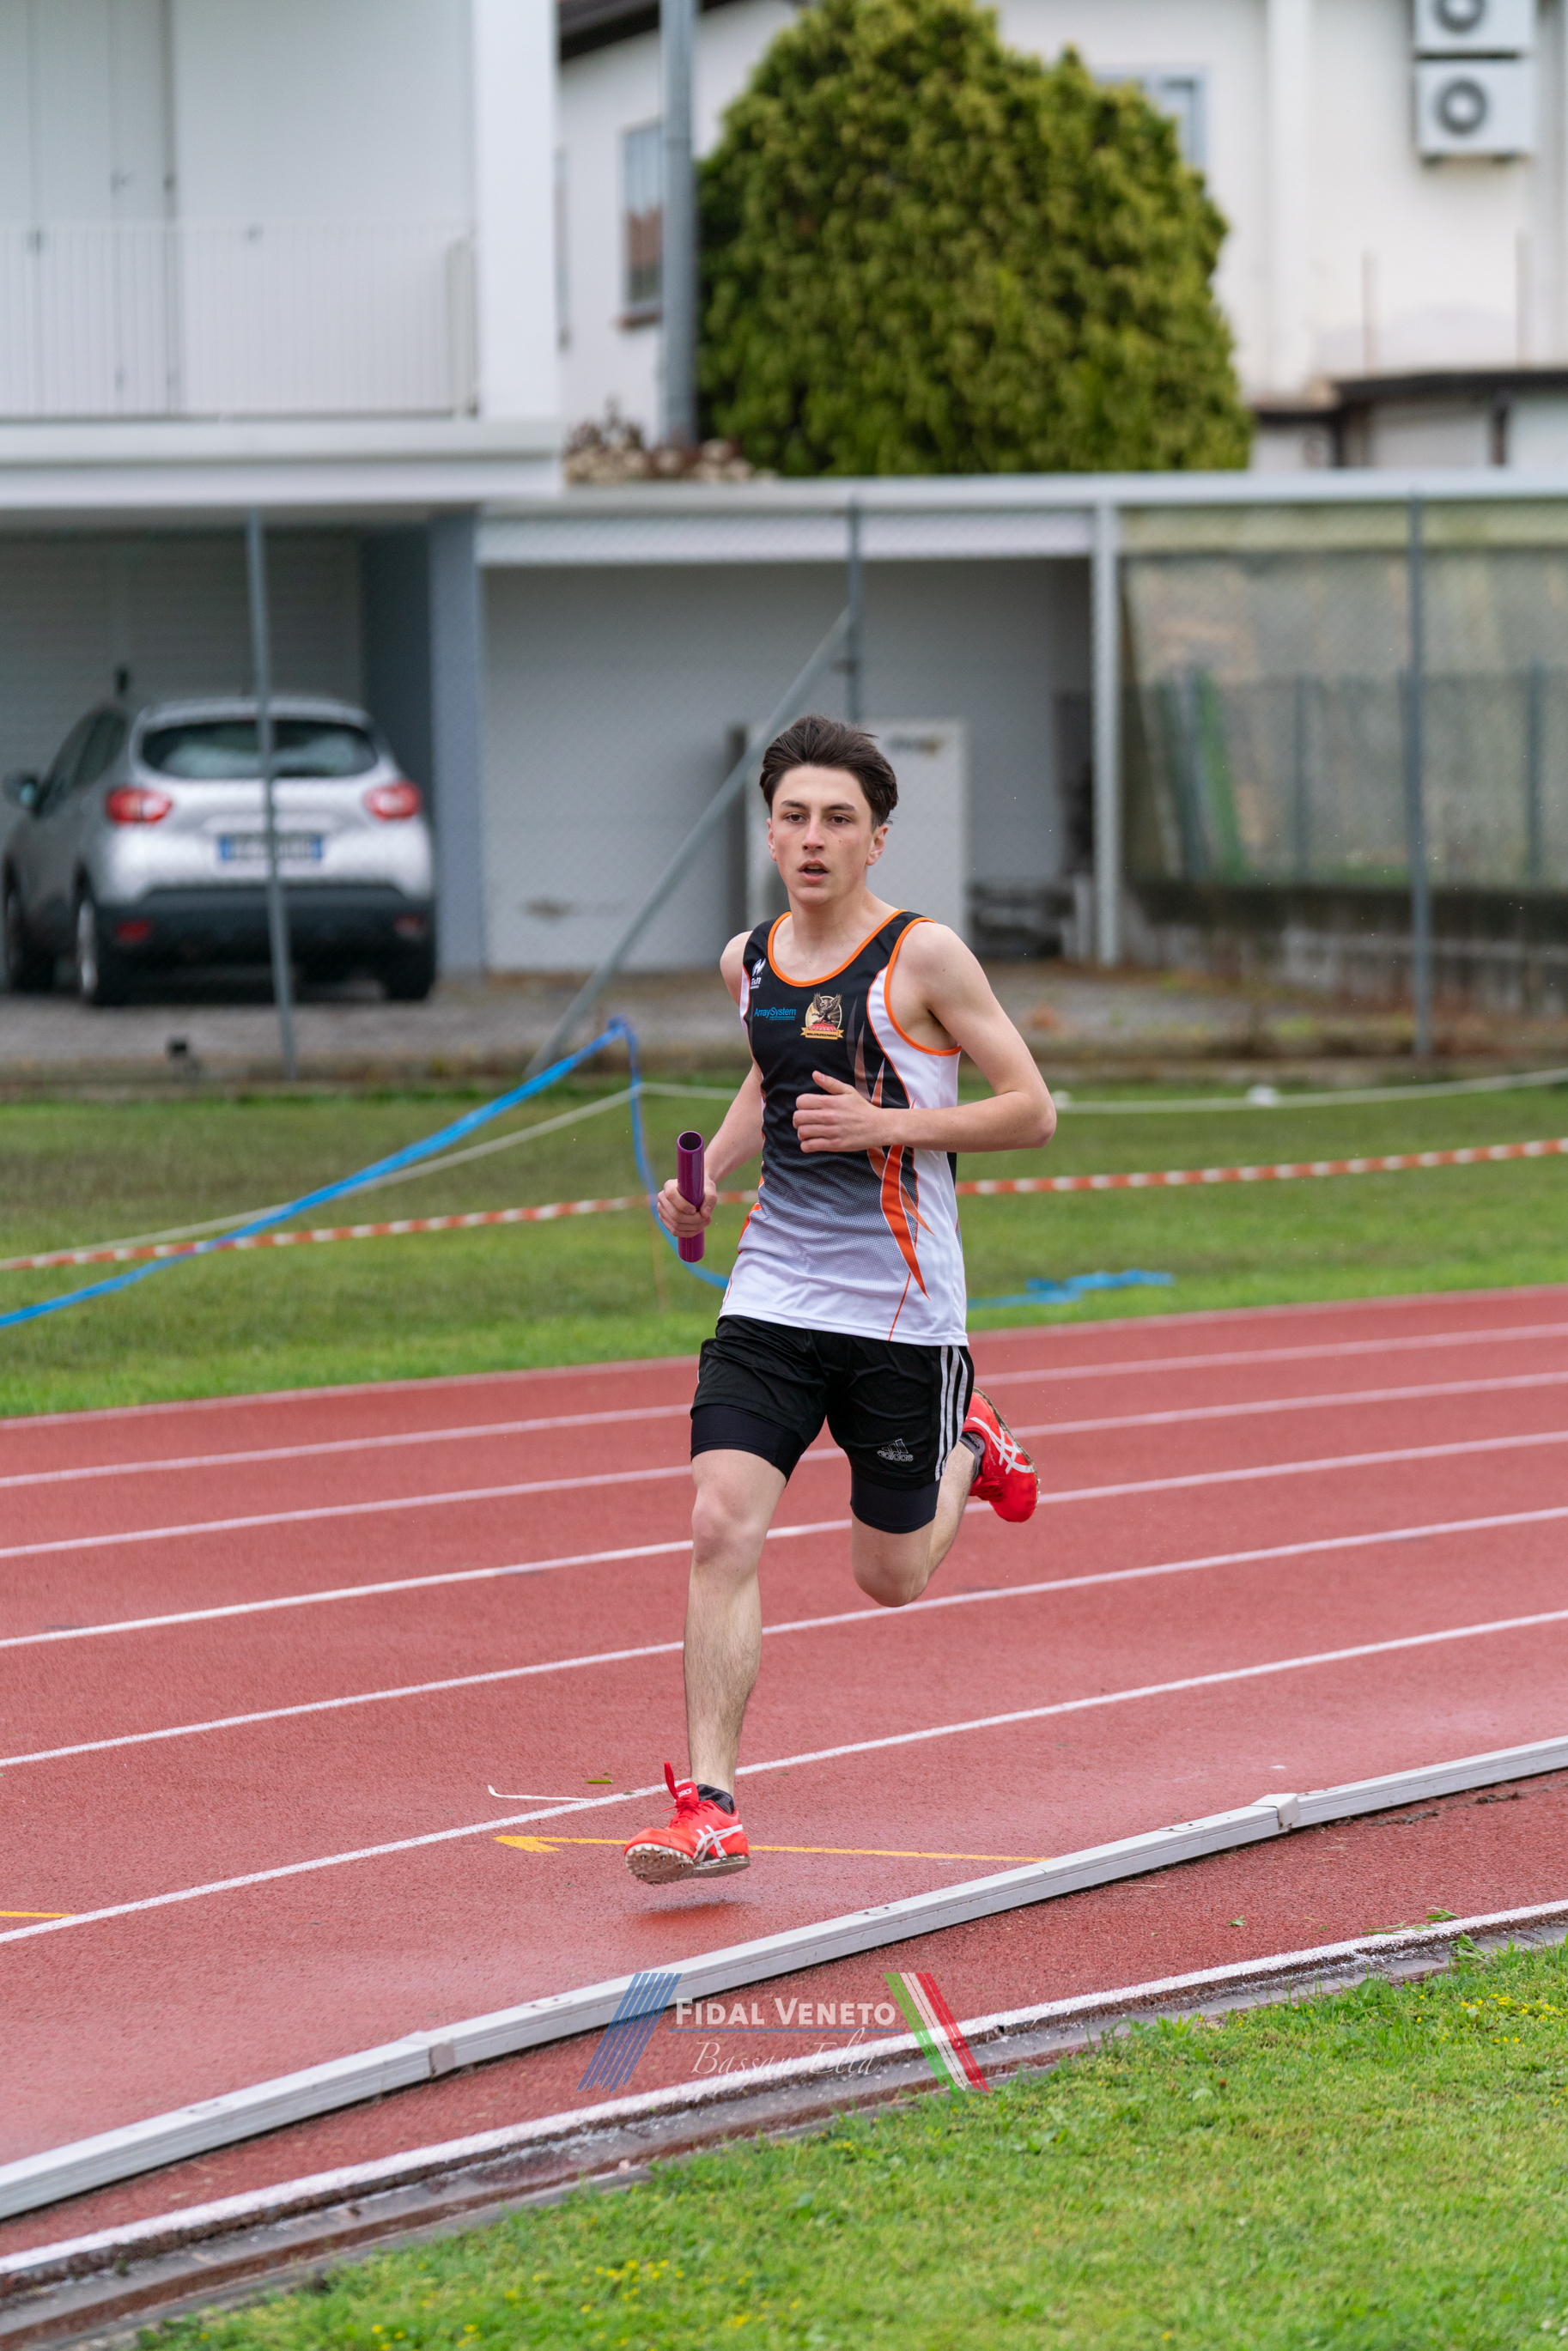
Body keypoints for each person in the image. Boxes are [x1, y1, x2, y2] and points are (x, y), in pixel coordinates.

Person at [624, 714, 1056, 1886]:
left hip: (901, 1312)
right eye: (794, 817)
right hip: (773, 1291)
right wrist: (709, 1175)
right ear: (769, 833)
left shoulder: (925, 957)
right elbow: (767, 1082)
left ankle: (971, 1442)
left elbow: (1031, 1109)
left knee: (890, 1576)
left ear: (876, 839)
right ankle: (710, 1806)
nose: (813, 838)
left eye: (837, 820)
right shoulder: (749, 961)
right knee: (720, 1521)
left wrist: (886, 1124)